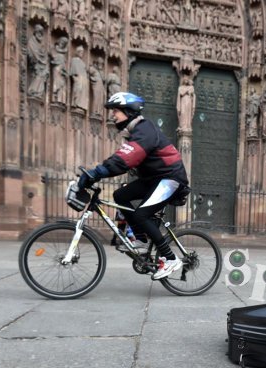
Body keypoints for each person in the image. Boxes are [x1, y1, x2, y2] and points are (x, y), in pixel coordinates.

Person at [77, 92, 189, 280]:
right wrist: (96, 173)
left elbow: (125, 159)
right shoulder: (135, 132)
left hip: (170, 179)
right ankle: (141, 239)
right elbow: (122, 157)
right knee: (120, 195)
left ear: (129, 111)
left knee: (141, 214)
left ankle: (171, 259)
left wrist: (98, 173)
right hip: (154, 179)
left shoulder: (144, 130)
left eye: (116, 111)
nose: (113, 115)